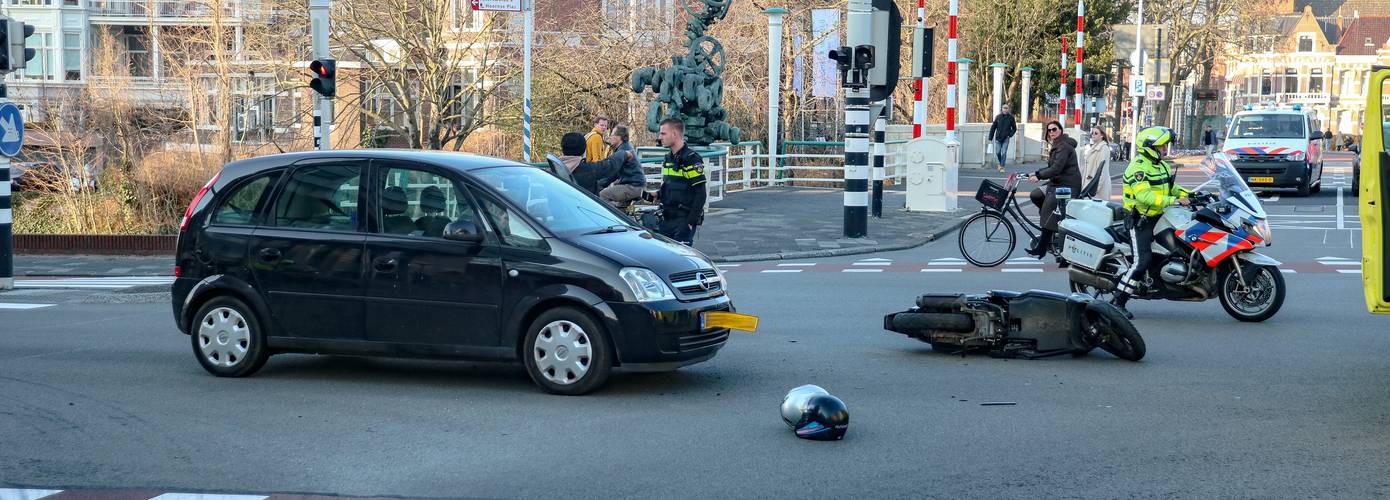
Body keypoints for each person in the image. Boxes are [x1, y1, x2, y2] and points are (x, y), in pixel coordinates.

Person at [1112, 126, 1191, 318]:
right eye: (1162, 146)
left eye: (1166, 146)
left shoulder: (1161, 165)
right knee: (1142, 261)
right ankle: (1118, 301)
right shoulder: (1138, 167)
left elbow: (1170, 188)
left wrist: (1191, 195)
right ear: (1150, 147)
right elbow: (1144, 196)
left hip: (1159, 217)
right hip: (1140, 220)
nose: (1165, 149)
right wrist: (1173, 201)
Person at [1025, 121, 1082, 259]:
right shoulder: (1058, 145)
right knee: (1036, 195)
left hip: (1067, 186)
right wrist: (1036, 172)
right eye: (1049, 130)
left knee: (1048, 212)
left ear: (1060, 130)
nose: (1051, 132)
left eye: (1054, 129)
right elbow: (1052, 167)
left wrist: (1038, 176)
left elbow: (1056, 168)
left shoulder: (1064, 147)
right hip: (1057, 184)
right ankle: (1052, 223)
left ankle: (1042, 248)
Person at [652, 118, 706, 245]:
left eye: (663, 133)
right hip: (666, 219)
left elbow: (701, 194)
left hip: (683, 220)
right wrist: (658, 194)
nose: (660, 137)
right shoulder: (668, 158)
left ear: (675, 134)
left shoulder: (691, 159)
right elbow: (670, 185)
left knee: (681, 260)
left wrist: (690, 222)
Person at [556, 132, 632, 196]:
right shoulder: (585, 170)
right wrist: (624, 154)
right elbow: (609, 165)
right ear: (583, 149)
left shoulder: (556, 167)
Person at [598, 124, 645, 207]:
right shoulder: (625, 147)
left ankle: (612, 217)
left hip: (632, 186)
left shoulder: (623, 151)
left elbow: (612, 173)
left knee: (603, 195)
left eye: (612, 135)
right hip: (636, 185)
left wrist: (598, 185)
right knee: (621, 208)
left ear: (619, 137)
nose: (610, 137)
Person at [1081, 127, 1113, 201]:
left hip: (1097, 190)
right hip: (1090, 186)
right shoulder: (1094, 147)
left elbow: (1103, 171)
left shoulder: (1103, 148)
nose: (1093, 135)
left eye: (1096, 133)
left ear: (1102, 135)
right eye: (1092, 133)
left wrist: (1095, 189)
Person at [988, 104, 1018, 171]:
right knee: (998, 152)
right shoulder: (998, 117)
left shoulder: (1011, 118)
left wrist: (1009, 135)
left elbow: (1014, 128)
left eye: (1007, 108)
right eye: (1004, 108)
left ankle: (1002, 166)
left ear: (1008, 109)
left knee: (1004, 152)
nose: (1005, 109)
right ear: (1002, 109)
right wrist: (990, 138)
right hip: (998, 138)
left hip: (1006, 138)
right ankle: (1000, 163)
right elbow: (993, 128)